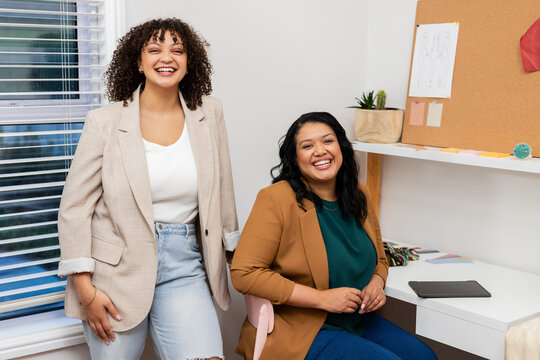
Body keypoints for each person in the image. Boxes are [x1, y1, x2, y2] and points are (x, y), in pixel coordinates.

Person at [57, 18, 239, 360]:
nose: (166, 57)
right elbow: (74, 210)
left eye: (177, 50)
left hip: (185, 263)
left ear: (189, 62)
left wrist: (238, 259)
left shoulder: (210, 113)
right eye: (154, 50)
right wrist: (85, 291)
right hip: (114, 274)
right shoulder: (105, 122)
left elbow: (224, 193)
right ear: (138, 62)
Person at [230, 112, 436, 359]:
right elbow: (244, 273)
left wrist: (376, 284)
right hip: (301, 326)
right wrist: (321, 299)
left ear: (341, 147)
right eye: (307, 146)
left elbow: (381, 259)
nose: (320, 151)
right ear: (295, 158)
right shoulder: (276, 199)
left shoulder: (359, 193)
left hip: (355, 320)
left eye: (328, 141)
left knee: (424, 356)